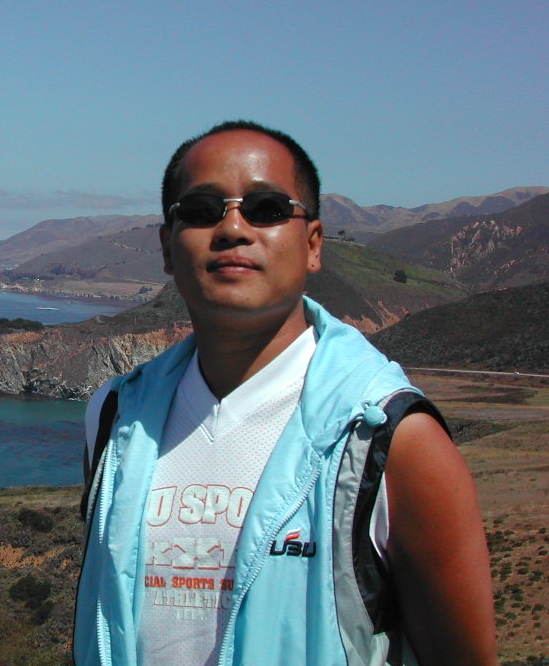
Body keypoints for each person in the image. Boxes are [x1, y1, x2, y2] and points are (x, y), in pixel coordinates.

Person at [73, 121, 496, 666]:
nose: (233, 228)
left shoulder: (393, 440)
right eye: (201, 210)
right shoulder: (114, 417)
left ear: (313, 244)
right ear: (167, 246)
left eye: (267, 209)